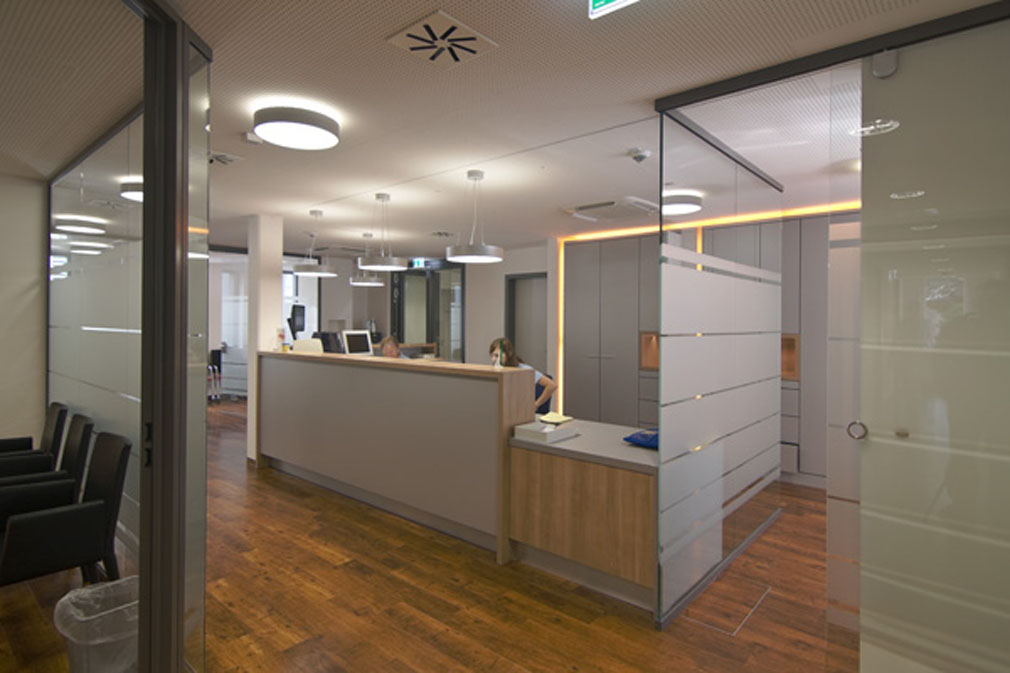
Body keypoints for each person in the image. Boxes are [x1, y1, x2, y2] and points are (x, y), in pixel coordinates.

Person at [489, 337, 556, 414]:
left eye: (497, 356)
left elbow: (552, 385)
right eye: (492, 356)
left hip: (523, 412)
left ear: (508, 355)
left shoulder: (524, 370)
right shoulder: (497, 371)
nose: (493, 359)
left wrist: (535, 405)